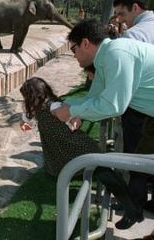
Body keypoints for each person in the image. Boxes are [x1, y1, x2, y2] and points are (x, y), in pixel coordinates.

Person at [52, 18, 154, 229]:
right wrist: (68, 107)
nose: (74, 55)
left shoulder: (117, 54)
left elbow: (113, 105)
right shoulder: (105, 58)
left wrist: (71, 110)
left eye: (74, 48)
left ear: (86, 43)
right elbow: (95, 98)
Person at [19, 77, 143, 229]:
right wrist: (25, 123)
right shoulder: (36, 109)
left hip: (78, 147)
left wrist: (74, 120)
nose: (26, 100)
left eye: (27, 97)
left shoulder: (54, 106)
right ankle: (130, 207)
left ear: (34, 96)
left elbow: (73, 115)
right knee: (104, 174)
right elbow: (24, 119)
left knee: (106, 175)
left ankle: (132, 210)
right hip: (67, 149)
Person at [114, 0, 154, 213]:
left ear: (135, 8)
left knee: (136, 154)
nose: (120, 19)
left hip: (140, 106)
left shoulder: (134, 35)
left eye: (122, 13)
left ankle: (134, 202)